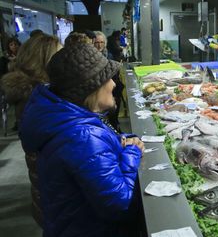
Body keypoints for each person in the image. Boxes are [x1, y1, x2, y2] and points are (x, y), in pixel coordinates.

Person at [19, 43, 144, 237]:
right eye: (107, 79)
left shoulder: (72, 121)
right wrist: (132, 152)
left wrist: (121, 141)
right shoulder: (81, 136)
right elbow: (121, 204)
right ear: (91, 88)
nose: (113, 84)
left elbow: (95, 154)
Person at [1, 33, 62, 227]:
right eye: (60, 55)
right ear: (46, 59)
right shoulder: (40, 98)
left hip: (47, 192)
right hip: (56, 195)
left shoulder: (33, 93)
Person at [95, 30, 124, 132]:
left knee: (113, 114)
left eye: (101, 42)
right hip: (100, 94)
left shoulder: (109, 55)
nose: (99, 45)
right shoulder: (90, 59)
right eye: (96, 42)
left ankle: (115, 126)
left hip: (112, 90)